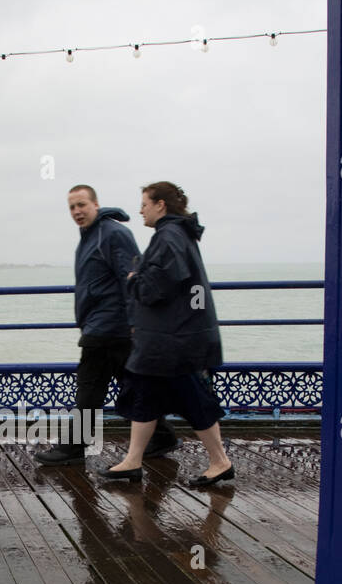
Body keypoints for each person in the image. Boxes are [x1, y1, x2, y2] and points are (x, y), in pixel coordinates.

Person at [34, 184, 178, 465]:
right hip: (103, 325)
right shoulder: (90, 236)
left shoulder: (112, 234)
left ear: (96, 205)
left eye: (82, 205)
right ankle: (162, 436)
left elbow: (131, 277)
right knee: (132, 386)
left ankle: (74, 447)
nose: (77, 211)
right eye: (72, 207)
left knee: (89, 388)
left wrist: (136, 321)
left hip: (111, 325)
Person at [103, 181, 233, 488]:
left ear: (160, 204)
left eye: (145, 204)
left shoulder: (169, 236)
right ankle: (133, 461)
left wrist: (134, 279)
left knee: (193, 399)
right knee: (146, 395)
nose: (140, 210)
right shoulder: (176, 234)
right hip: (167, 338)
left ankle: (220, 462)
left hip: (173, 341)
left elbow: (156, 287)